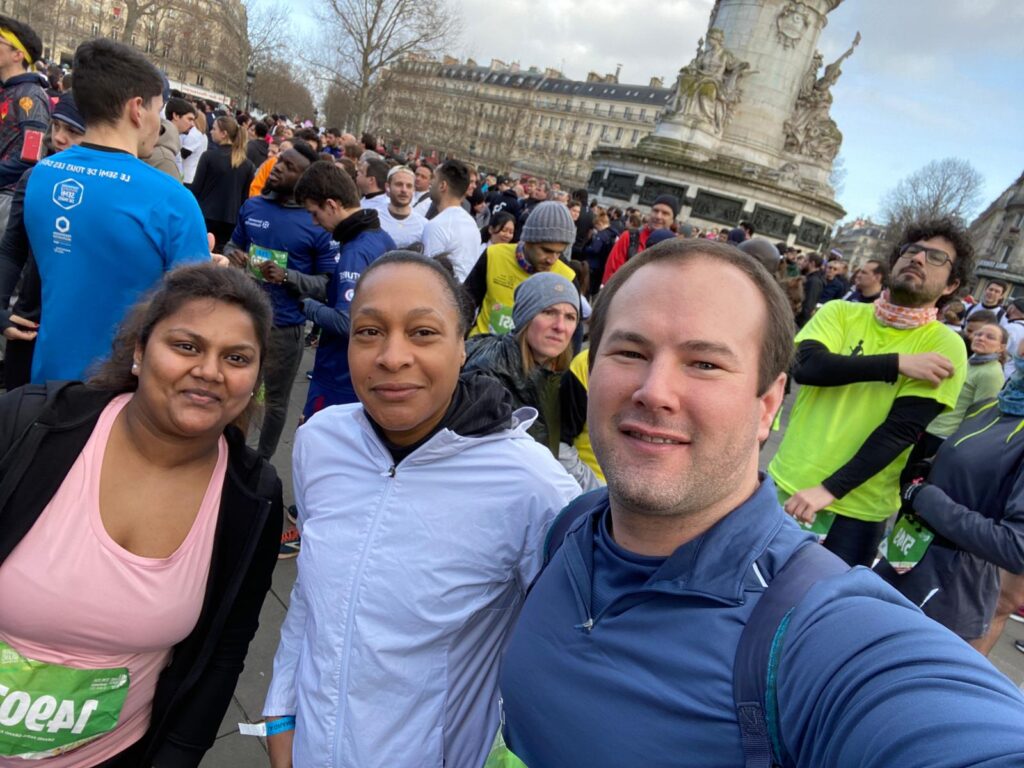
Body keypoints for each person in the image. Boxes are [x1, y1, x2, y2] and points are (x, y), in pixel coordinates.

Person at [498, 237, 1024, 768]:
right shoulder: (570, 525)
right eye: (630, 353)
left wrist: (834, 488)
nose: (654, 391)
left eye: (705, 363)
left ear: (768, 404)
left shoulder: (817, 627)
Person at [263, 252, 579, 768]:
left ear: (462, 345)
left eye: (423, 333)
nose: (392, 357)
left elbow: (565, 665)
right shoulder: (320, 441)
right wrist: (280, 713)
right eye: (369, 332)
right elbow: (311, 595)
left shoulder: (532, 487)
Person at [0, 263, 282, 766]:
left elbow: (226, 648)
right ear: (139, 350)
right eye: (187, 346)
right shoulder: (30, 426)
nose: (210, 371)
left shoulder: (251, 496)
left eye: (236, 357)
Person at [769, 219, 971, 567]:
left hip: (853, 512)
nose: (918, 259)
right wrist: (896, 364)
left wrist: (829, 490)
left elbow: (899, 432)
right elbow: (808, 367)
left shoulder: (945, 345)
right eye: (912, 251)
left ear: (952, 284)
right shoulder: (841, 311)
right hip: (783, 481)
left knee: (817, 599)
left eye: (936, 257)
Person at [16, 38, 211, 384]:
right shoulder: (172, 200)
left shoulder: (40, 176)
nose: (159, 126)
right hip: (123, 392)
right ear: (137, 109)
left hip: (47, 383)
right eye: (158, 112)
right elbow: (197, 315)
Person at [875, 348, 1024, 645]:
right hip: (907, 553)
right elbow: (965, 465)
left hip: (948, 589)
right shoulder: (991, 405)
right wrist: (926, 469)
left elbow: (1015, 547)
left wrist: (927, 500)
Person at [223, 141, 338, 463]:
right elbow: (233, 243)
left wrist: (287, 276)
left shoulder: (315, 223)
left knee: (274, 401)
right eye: (279, 162)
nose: (277, 168)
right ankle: (226, 453)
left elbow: (327, 285)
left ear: (304, 180)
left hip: (284, 328)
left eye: (289, 167)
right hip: (241, 320)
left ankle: (259, 464)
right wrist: (234, 255)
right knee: (234, 389)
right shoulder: (254, 207)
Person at [293, 160, 395, 419]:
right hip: (362, 374)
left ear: (331, 205)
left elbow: (346, 321)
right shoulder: (381, 237)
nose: (314, 222)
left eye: (315, 213)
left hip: (339, 376)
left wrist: (306, 305)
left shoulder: (355, 251)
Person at [0, 92, 85, 392]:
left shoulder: (116, 188)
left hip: (79, 340)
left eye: (73, 131)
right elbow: (12, 249)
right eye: (56, 126)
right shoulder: (34, 178)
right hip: (30, 325)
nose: (59, 137)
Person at [464, 272, 580, 456]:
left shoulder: (558, 373)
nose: (560, 326)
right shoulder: (489, 375)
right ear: (524, 316)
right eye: (549, 312)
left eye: (570, 317)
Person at [464, 201, 577, 336]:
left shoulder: (567, 277)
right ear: (528, 240)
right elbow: (464, 305)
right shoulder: (494, 255)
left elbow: (573, 333)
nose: (552, 260)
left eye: (559, 253)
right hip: (481, 344)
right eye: (546, 250)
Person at [907, 320, 1007, 464]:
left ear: (1001, 347)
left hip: (944, 437)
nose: (981, 338)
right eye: (978, 334)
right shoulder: (970, 361)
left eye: (990, 337)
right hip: (930, 428)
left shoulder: (992, 373)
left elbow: (980, 415)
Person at [0, 15, 49, 234]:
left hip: (7, 197)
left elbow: (30, 156)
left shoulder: (30, 95)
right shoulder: (6, 89)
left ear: (17, 54)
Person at [191, 116, 256, 251]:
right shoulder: (247, 164)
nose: (211, 131)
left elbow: (196, 189)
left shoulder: (208, 157)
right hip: (231, 219)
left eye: (214, 129)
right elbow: (245, 197)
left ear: (224, 133)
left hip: (206, 215)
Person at [421, 158, 481, 280]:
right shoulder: (472, 224)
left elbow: (428, 275)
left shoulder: (436, 225)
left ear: (442, 186)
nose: (431, 182)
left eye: (434, 178)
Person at [600, 195, 678, 285]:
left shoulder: (677, 248)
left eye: (665, 213)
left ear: (672, 220)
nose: (658, 216)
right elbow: (611, 274)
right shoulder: (629, 237)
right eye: (655, 211)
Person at [376, 165, 426, 249]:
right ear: (388, 187)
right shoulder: (375, 219)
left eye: (409, 186)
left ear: (414, 190)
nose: (404, 190)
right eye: (399, 184)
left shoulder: (423, 225)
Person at [795, 252, 825, 326]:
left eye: (805, 261)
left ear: (812, 263)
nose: (802, 263)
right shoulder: (809, 277)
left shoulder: (814, 281)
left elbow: (808, 305)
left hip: (799, 322)